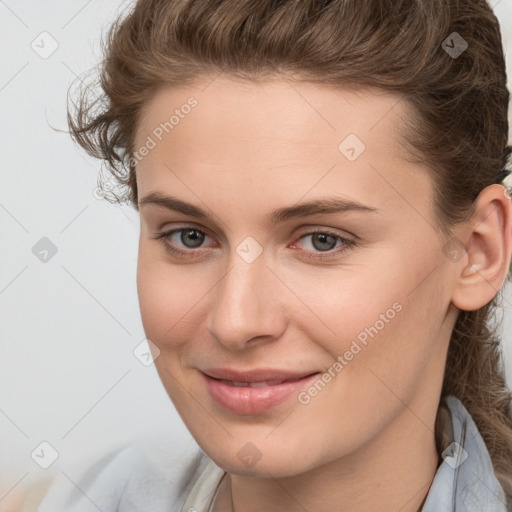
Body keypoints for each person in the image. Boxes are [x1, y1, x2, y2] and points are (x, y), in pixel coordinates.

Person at [36, 0, 512, 511]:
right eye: (189, 236)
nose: (235, 322)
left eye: (321, 240)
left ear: (477, 252)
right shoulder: (86, 496)